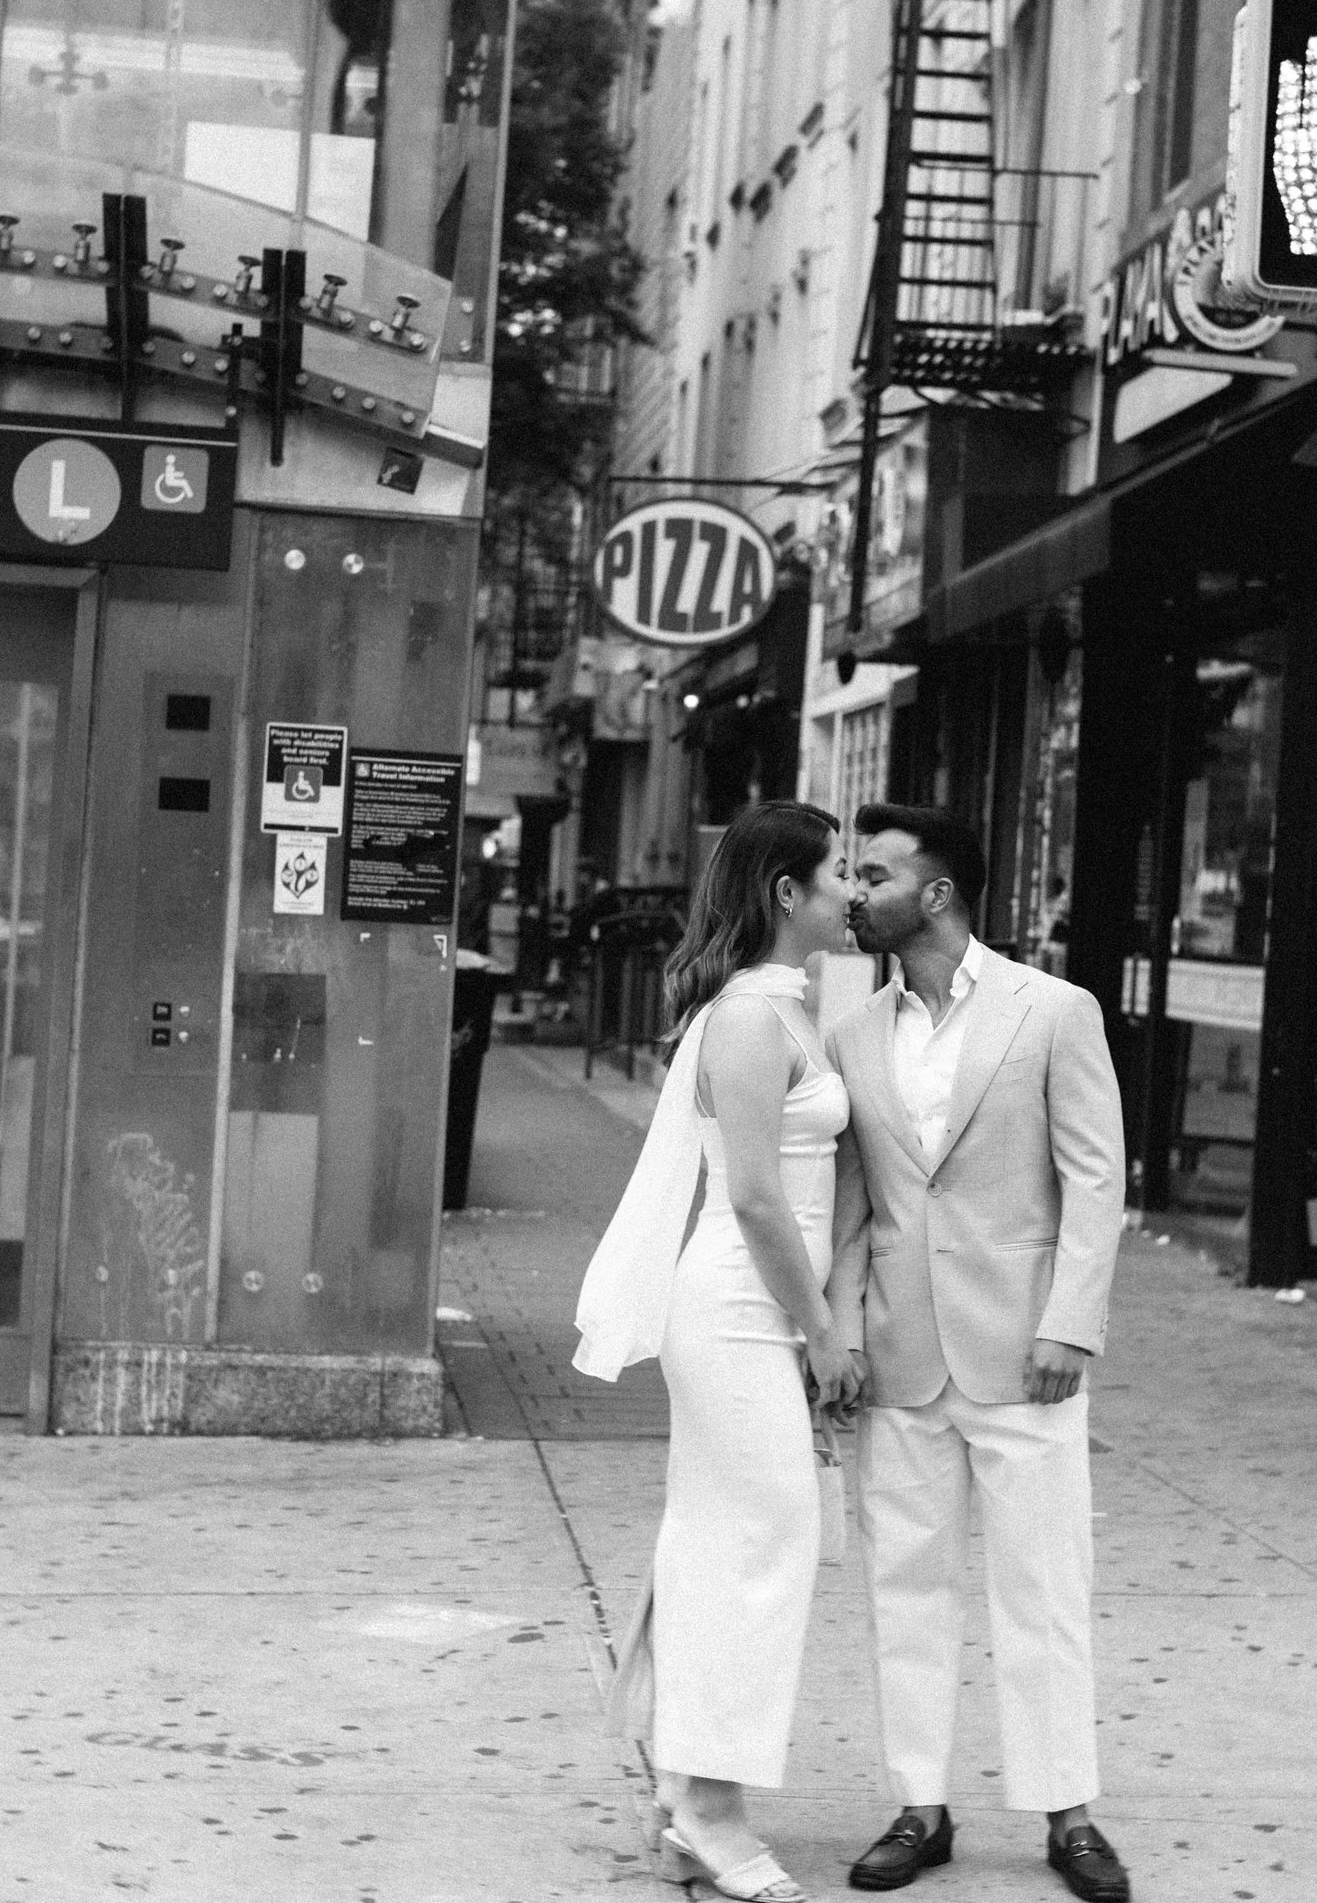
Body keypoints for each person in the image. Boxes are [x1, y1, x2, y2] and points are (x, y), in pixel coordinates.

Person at [827, 804, 1132, 1903]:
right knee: (905, 1584)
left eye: (874, 873)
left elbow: (1097, 1176)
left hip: (1024, 1349)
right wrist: (844, 1333)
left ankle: (1069, 1813)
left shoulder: (1052, 1010)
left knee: (1044, 1584)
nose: (853, 891)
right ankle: (920, 1803)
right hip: (906, 1351)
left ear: (938, 893)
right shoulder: (852, 1033)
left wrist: (1071, 1320)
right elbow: (854, 1204)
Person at [572, 800, 863, 1903]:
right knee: (764, 1539)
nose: (850, 891)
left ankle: (688, 1778)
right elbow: (749, 1194)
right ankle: (710, 1806)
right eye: (836, 873)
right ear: (786, 894)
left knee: (724, 1538)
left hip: (759, 1309)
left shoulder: (785, 1011)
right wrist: (822, 1330)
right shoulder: (749, 1022)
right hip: (738, 1307)